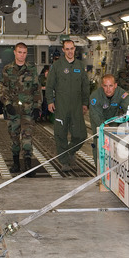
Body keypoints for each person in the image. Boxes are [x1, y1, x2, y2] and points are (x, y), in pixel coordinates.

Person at [46, 40, 89, 172]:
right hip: (61, 106)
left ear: (75, 49)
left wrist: (85, 103)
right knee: (60, 134)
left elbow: (85, 86)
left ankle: (70, 151)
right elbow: (49, 86)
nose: (70, 51)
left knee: (81, 135)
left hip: (76, 106)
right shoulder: (57, 66)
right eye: (67, 49)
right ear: (63, 50)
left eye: (72, 49)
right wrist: (50, 101)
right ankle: (64, 161)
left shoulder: (80, 66)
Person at [0, 42, 42, 177]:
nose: (22, 55)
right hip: (13, 110)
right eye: (19, 52)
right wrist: (7, 104)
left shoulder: (31, 68)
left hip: (28, 110)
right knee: (14, 138)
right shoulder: (8, 69)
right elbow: (3, 88)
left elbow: (37, 88)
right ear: (15, 52)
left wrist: (37, 106)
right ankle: (16, 163)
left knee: (27, 138)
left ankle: (28, 165)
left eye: (24, 53)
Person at [89, 74, 129, 166]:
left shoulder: (122, 93)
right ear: (102, 86)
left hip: (112, 120)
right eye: (105, 86)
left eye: (111, 86)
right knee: (99, 142)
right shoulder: (95, 96)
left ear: (115, 85)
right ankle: (99, 170)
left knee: (113, 143)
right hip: (98, 120)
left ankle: (111, 167)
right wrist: (104, 126)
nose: (108, 89)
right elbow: (95, 114)